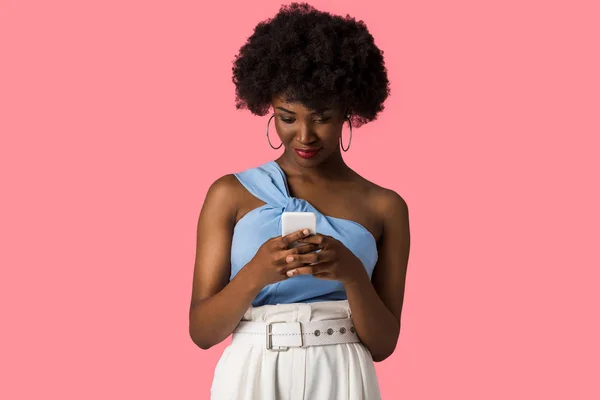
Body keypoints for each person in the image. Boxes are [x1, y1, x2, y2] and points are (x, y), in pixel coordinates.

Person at [189, 2, 411, 399]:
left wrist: (352, 274)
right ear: (269, 109)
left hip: (341, 373)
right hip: (252, 369)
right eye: (287, 117)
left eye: (322, 117)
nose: (305, 135)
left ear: (349, 111)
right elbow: (203, 332)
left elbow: (383, 345)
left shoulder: (385, 207)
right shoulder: (229, 193)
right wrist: (257, 272)